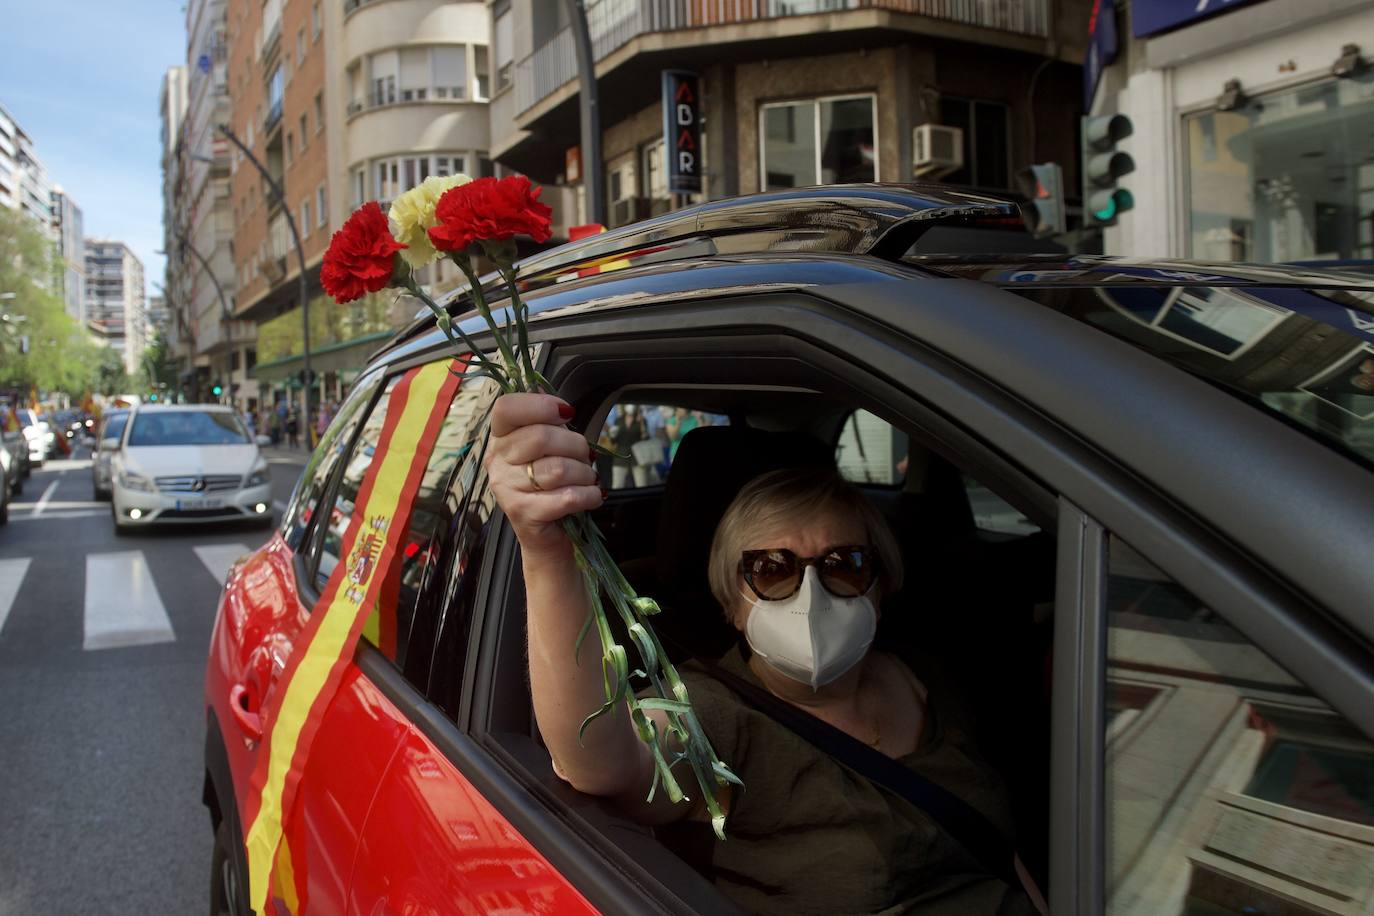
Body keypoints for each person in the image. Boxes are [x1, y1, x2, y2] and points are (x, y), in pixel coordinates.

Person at [487, 393, 1040, 915]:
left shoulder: (926, 673)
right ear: (732, 602)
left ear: (882, 582)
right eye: (772, 570)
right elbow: (600, 756)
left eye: (844, 564)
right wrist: (546, 549)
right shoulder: (716, 716)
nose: (812, 595)